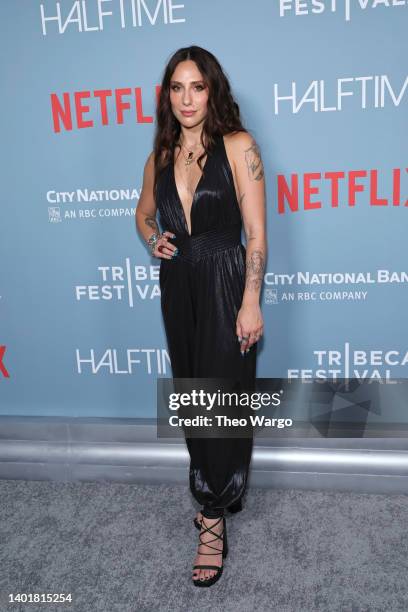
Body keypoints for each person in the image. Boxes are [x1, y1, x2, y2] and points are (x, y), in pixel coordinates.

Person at [135, 45, 266, 587]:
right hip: (178, 283)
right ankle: (214, 488)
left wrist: (251, 300)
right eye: (177, 88)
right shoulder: (161, 156)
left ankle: (212, 518)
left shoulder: (239, 146)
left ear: (213, 91)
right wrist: (153, 239)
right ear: (168, 96)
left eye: (197, 86)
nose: (187, 98)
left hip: (224, 277)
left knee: (223, 399)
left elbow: (255, 233)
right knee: (195, 396)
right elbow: (142, 214)